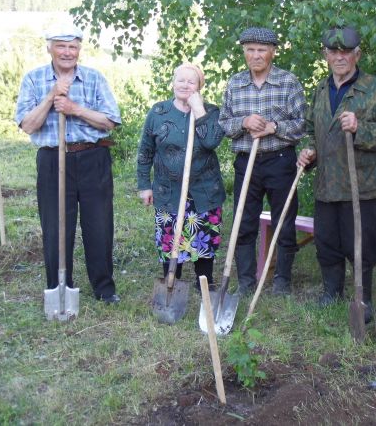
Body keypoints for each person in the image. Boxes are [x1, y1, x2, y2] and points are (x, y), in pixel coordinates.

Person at [298, 26, 376, 323]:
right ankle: (332, 292)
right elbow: (311, 130)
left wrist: (360, 129)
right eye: (333, 51)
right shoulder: (320, 88)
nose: (339, 57)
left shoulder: (373, 88)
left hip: (362, 185)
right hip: (327, 183)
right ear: (325, 54)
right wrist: (309, 151)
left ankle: (362, 298)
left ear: (357, 54)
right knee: (327, 241)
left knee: (360, 245)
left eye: (346, 52)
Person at [15, 23, 122, 304]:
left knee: (99, 225)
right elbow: (28, 125)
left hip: (93, 157)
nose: (67, 52)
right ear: (49, 47)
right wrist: (51, 97)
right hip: (53, 159)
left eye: (72, 46)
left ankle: (104, 288)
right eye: (61, 46)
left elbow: (110, 122)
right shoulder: (33, 79)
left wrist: (75, 109)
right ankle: (59, 286)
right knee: (55, 226)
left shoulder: (94, 78)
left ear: (79, 49)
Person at [219, 27, 306, 296]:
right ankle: (246, 281)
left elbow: (302, 124)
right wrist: (244, 122)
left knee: (284, 220)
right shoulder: (235, 84)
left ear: (272, 52)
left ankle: (282, 280)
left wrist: (273, 127)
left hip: (280, 161)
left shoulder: (288, 82)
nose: (256, 55)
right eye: (250, 50)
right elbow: (224, 124)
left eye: (262, 50)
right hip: (246, 161)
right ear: (244, 52)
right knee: (244, 221)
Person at [137, 63, 226, 288]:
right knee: (169, 235)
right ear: (173, 82)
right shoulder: (158, 113)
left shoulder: (211, 112)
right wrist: (144, 185)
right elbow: (146, 151)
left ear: (199, 87)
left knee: (204, 233)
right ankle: (171, 281)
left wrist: (199, 111)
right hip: (168, 190)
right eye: (181, 80)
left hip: (204, 190)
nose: (185, 85)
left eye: (191, 81)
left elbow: (211, 141)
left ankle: (203, 281)